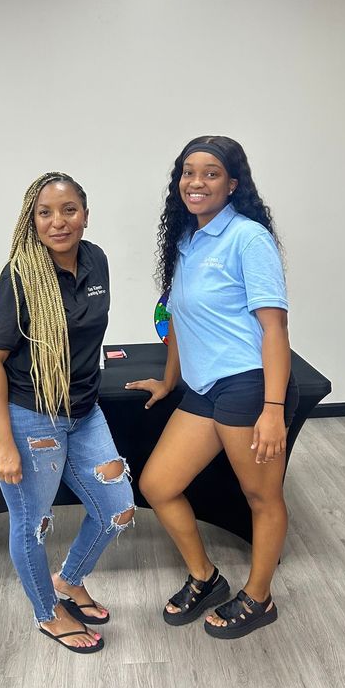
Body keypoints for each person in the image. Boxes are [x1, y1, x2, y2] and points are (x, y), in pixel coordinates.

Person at [125, 136, 298, 639]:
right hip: (206, 388)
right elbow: (178, 319)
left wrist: (272, 408)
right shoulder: (186, 239)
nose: (196, 182)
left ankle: (260, 598)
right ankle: (206, 577)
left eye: (211, 173)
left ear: (233, 184)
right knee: (158, 485)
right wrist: (169, 379)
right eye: (188, 172)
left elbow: (275, 329)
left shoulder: (248, 239)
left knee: (260, 496)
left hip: (249, 385)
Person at [0, 171, 135, 654]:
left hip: (83, 412)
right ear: (32, 220)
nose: (58, 221)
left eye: (69, 210)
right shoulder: (15, 280)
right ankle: (47, 613)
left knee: (117, 508)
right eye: (44, 213)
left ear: (85, 215)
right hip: (28, 418)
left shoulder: (97, 260)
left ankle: (68, 580)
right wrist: (3, 443)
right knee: (33, 525)